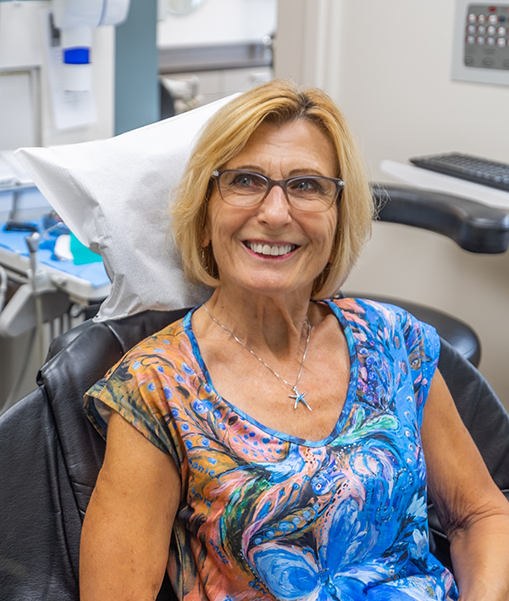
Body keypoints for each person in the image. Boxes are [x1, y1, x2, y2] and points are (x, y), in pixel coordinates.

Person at [80, 80, 509, 601]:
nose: (277, 213)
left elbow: (479, 515)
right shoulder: (158, 388)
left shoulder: (395, 342)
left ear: (337, 218)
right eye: (245, 180)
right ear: (203, 220)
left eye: (307, 185)